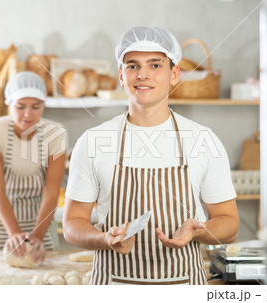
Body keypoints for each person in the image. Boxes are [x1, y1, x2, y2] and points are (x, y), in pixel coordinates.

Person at [63, 26, 239, 285]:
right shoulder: (93, 141)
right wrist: (104, 239)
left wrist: (197, 231)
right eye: (132, 66)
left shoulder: (203, 140)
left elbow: (230, 224)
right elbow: (72, 224)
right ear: (121, 76)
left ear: (174, 74)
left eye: (155, 65)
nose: (142, 75)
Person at [0, 71, 67, 263]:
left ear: (44, 105)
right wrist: (15, 233)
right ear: (8, 105)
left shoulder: (56, 133)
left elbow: (52, 192)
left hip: (40, 218)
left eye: (36, 107)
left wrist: (37, 238)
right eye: (20, 107)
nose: (28, 114)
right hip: (0, 220)